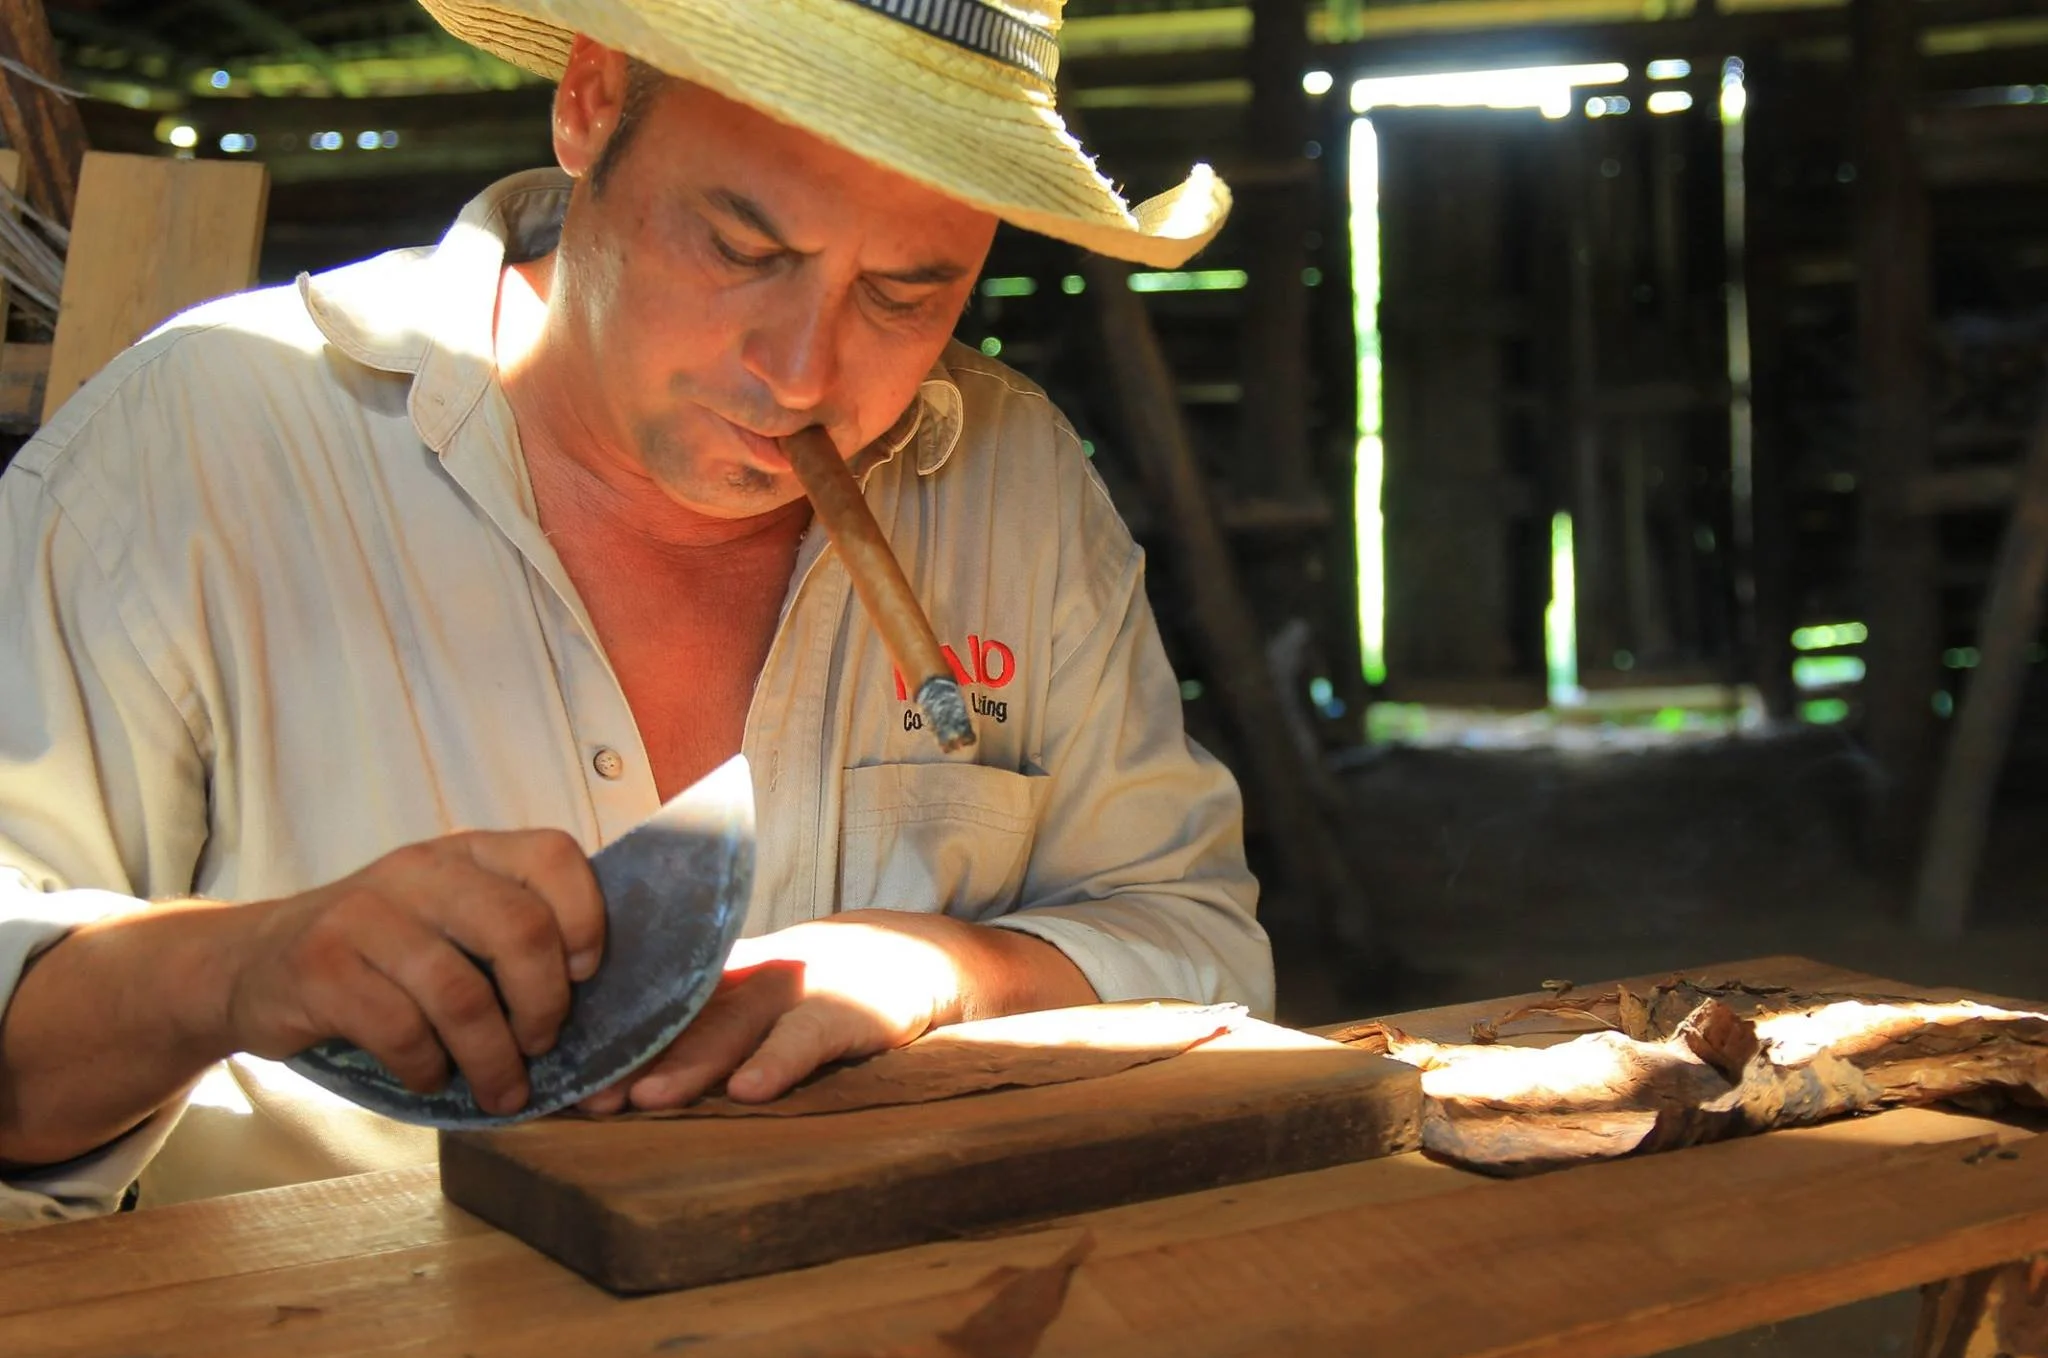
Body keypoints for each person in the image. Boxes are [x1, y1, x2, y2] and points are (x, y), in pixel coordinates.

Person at [0, 0, 1271, 1222]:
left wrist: (943, 969)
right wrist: (235, 968)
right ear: (592, 99)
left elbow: (1199, 944)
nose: (800, 373)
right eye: (742, 249)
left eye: (903, 293)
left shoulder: (1010, 480)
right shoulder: (202, 442)